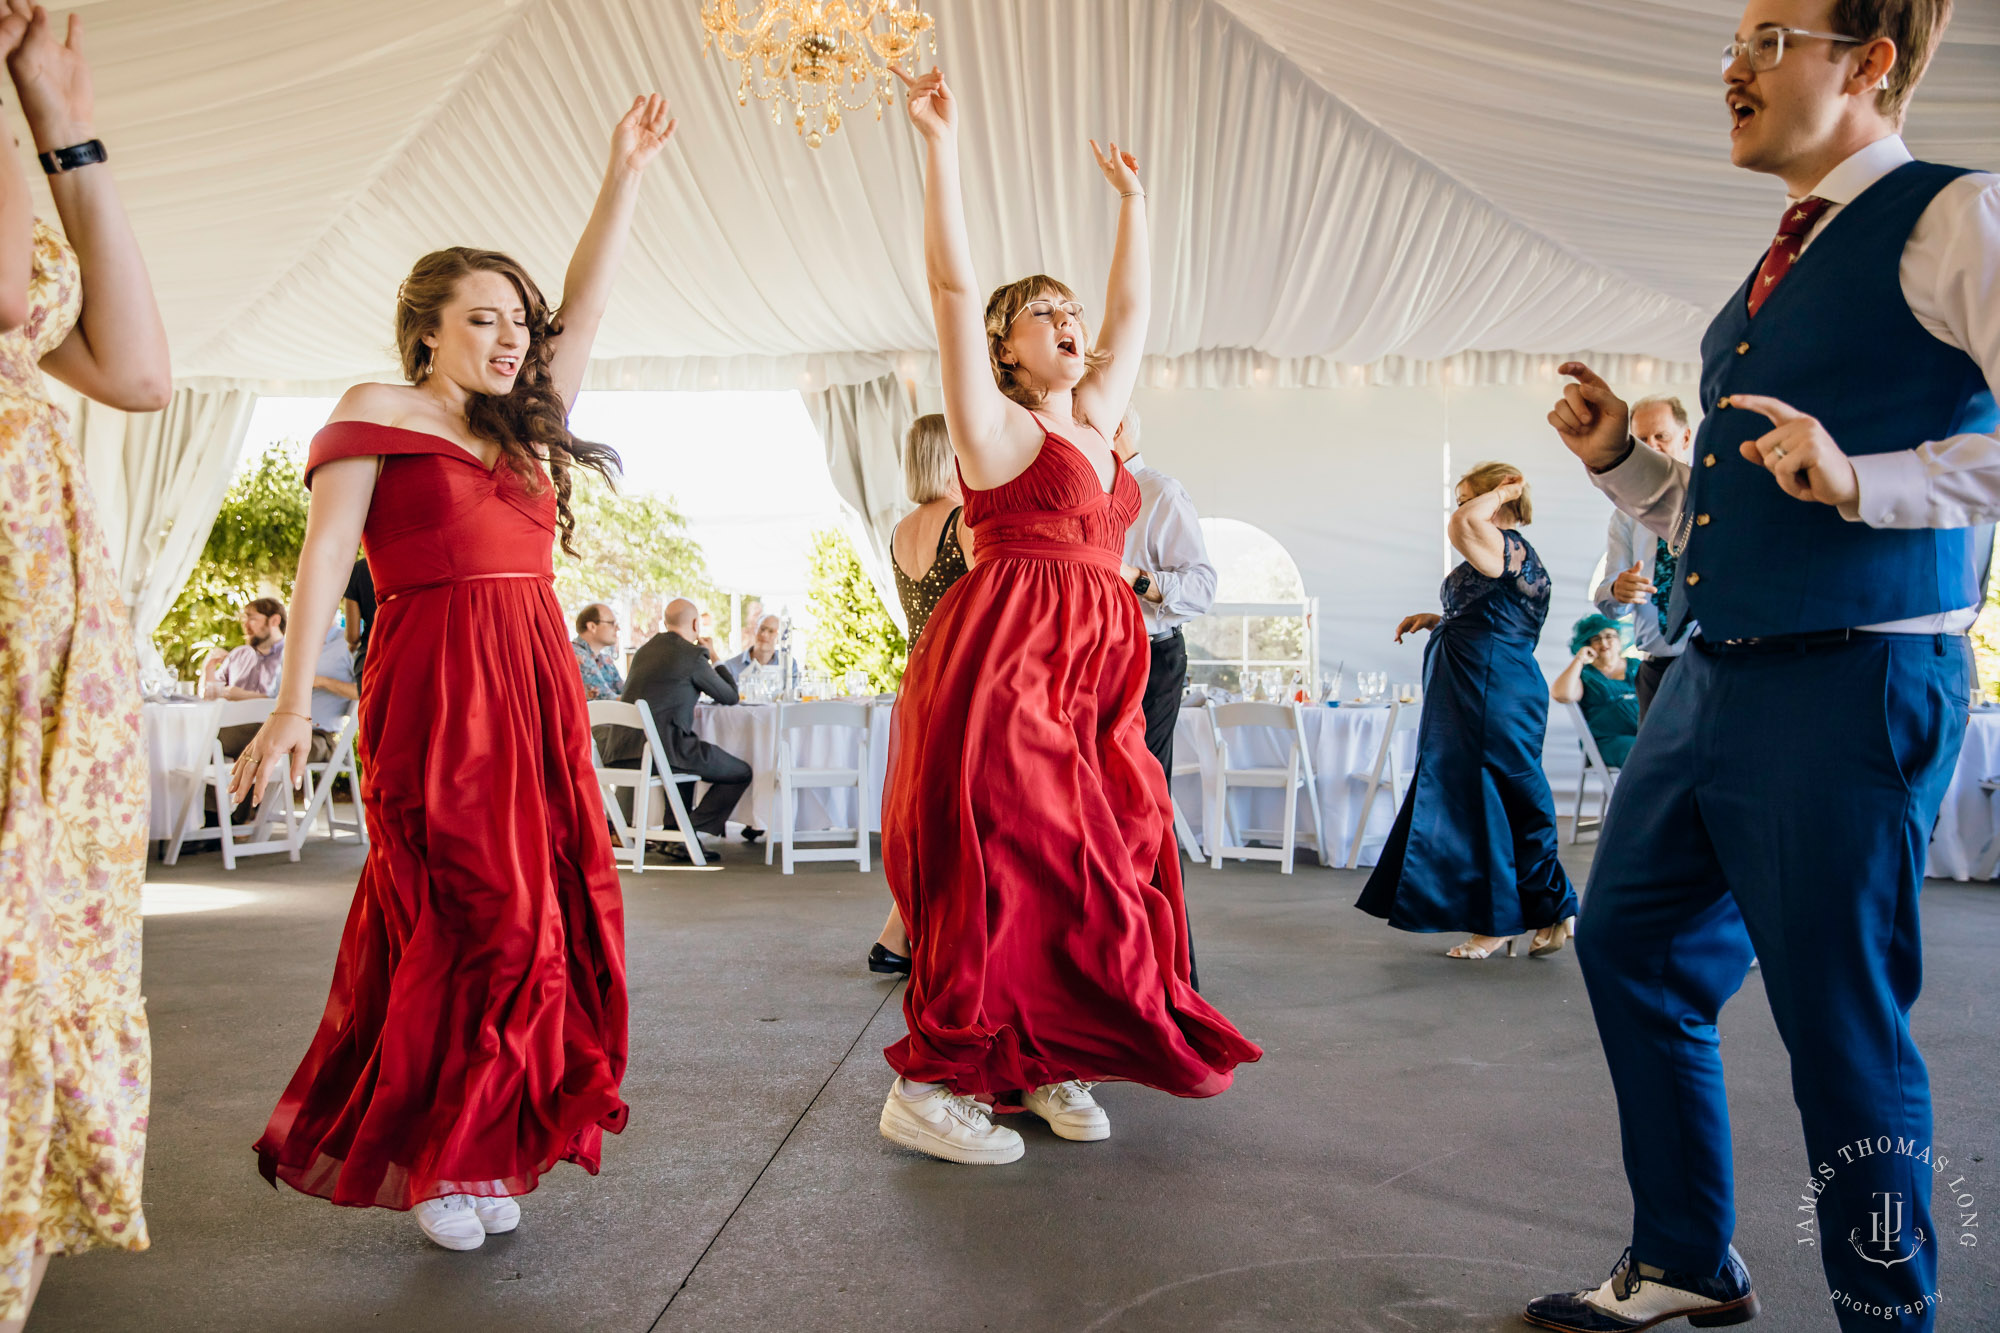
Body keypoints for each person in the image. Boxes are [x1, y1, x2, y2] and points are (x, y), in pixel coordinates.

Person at [1530, 2, 1995, 1327]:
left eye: (1774, 34)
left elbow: (1846, 483)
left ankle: (1886, 1313)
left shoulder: (1954, 215)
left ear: (1869, 63)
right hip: (1717, 675)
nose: (1733, 64)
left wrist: (1871, 478)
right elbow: (1745, 509)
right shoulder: (1780, 264)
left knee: (1841, 1025)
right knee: (1628, 945)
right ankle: (1685, 1256)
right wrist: (1626, 463)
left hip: (1852, 680)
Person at [231, 94, 678, 1253]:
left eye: (519, 321)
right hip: (433, 686)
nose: (513, 337)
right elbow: (326, 554)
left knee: (539, 919)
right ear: (425, 330)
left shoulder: (527, 428)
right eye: (484, 319)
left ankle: (479, 1141)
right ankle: (441, 1155)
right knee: (463, 911)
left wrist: (621, 171)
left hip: (531, 683)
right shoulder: (377, 410)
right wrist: (288, 704)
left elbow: (589, 301)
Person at [881, 65, 1260, 1166]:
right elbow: (952, 290)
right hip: (1008, 655)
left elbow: (1134, 310)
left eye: (1070, 312)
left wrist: (1134, 210)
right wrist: (938, 147)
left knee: (1102, 855)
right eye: (1041, 313)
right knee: (1015, 857)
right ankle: (940, 1076)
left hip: (1101, 664)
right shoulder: (994, 431)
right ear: (1005, 348)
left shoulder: (1097, 419)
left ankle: (1043, 1053)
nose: (1068, 322)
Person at [0, 3, 171, 1322]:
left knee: (53, 937)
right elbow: (11, 290)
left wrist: (62, 119)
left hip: (46, 606)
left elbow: (138, 368)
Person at [1355, 463, 1578, 961]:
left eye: (1465, 498)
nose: (1458, 509)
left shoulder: (1505, 544)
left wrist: (1506, 489)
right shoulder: (1505, 554)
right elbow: (1496, 617)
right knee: (1503, 796)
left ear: (1496, 499)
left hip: (1489, 688)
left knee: (1488, 798)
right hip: (1484, 684)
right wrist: (1440, 621)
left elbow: (1460, 528)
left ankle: (1496, 921)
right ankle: (1549, 904)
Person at [1113, 403, 1217, 986]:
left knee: (1141, 806)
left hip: (1150, 660)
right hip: (1085, 662)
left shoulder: (1160, 492)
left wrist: (1137, 579)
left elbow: (1201, 588)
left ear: (1125, 424)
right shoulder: (1072, 494)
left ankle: (1163, 969)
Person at [872, 413, 978, 977]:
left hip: (916, 676)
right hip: (956, 674)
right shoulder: (963, 521)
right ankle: (929, 933)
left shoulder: (900, 529)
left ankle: (900, 931)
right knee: (956, 807)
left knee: (921, 805)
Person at [606, 598, 758, 854]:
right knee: (740, 772)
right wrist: (716, 657)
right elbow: (729, 697)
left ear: (665, 623)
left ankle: (676, 837)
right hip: (661, 751)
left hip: (622, 750)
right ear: (696, 624)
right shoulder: (692, 655)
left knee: (686, 761)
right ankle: (684, 831)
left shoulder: (644, 651)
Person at [1590, 394, 1697, 717]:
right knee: (1656, 768)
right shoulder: (1625, 513)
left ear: (1686, 437)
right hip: (1657, 671)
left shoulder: (1719, 500)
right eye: (1641, 440)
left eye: (1661, 436)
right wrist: (1616, 590)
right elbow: (1607, 601)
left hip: (1721, 663)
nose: (1652, 447)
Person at [1549, 613, 1639, 769]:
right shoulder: (1585, 674)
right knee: (1642, 752)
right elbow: (1561, 694)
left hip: (1644, 736)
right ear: (1588, 644)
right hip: (1606, 742)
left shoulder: (1637, 666)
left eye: (1609, 636)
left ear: (1619, 641)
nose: (1603, 642)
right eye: (1596, 638)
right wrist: (1579, 660)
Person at [720, 613, 800, 694]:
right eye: (762, 629)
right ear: (755, 630)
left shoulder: (789, 664)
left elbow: (793, 699)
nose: (764, 634)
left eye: (771, 631)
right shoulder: (730, 667)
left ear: (780, 637)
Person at [571, 602, 625, 701]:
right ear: (592, 626)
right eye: (612, 623)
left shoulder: (605, 659)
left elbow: (626, 692)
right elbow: (606, 701)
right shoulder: (576, 655)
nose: (618, 628)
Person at [341, 556, 376, 685]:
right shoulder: (417, 559)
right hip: (411, 656)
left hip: (370, 659)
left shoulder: (359, 569)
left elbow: (352, 636)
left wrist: (353, 643)